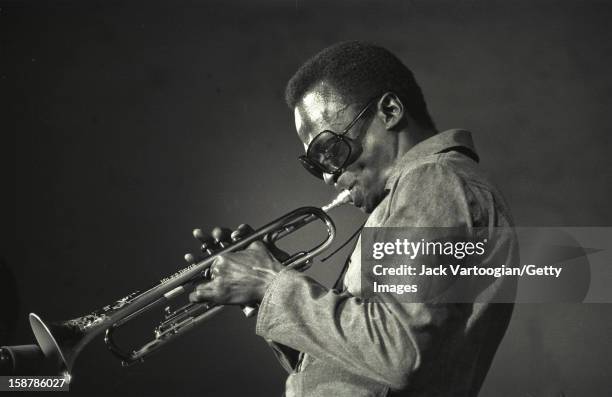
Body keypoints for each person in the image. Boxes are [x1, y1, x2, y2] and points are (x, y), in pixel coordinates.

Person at [190, 41, 517, 397]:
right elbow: (370, 367)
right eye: (314, 165)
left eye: (329, 150)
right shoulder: (414, 192)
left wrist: (272, 285)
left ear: (390, 111)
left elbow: (401, 352)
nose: (329, 176)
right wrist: (272, 296)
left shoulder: (433, 180)